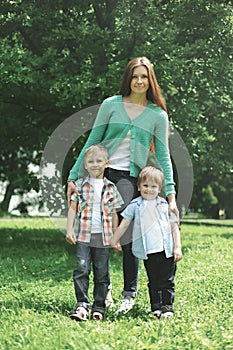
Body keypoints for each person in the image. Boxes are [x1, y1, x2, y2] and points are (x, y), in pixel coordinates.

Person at [67, 56, 179, 315]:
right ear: (128, 78)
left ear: (150, 81)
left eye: (144, 77)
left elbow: (163, 155)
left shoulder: (157, 115)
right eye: (134, 76)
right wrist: (74, 176)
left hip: (131, 179)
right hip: (103, 176)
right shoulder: (111, 105)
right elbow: (93, 140)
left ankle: (129, 293)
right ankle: (101, 292)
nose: (139, 81)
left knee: (128, 236)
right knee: (101, 234)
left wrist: (170, 194)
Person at [111, 166, 182, 318]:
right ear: (138, 186)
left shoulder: (164, 206)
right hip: (148, 252)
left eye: (153, 186)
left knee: (167, 281)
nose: (149, 189)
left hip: (166, 250)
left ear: (159, 188)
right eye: (145, 186)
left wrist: (177, 247)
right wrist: (115, 239)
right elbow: (124, 224)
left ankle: (167, 307)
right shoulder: (135, 205)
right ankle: (156, 307)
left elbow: (174, 227)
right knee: (153, 281)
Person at [66, 145, 123, 321]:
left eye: (99, 161)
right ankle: (82, 305)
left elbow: (114, 214)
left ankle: (99, 307)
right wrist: (69, 229)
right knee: (82, 269)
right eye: (91, 161)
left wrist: (115, 238)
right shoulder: (80, 185)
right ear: (85, 164)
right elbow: (72, 208)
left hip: (103, 238)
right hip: (84, 236)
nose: (95, 164)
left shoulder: (111, 187)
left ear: (107, 163)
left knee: (102, 272)